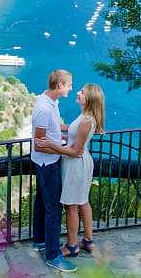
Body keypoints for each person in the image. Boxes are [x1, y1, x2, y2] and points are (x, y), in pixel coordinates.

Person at [37, 84, 105, 257]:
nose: (78, 93)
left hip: (76, 165)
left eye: (82, 92)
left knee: (71, 206)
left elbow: (75, 151)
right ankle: (88, 241)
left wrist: (52, 144)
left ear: (88, 99)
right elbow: (73, 136)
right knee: (83, 202)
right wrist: (56, 130)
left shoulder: (85, 121)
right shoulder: (86, 117)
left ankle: (72, 245)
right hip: (81, 163)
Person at [30, 69, 76, 272]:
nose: (71, 88)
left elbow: (54, 128)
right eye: (69, 84)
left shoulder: (50, 102)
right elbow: (39, 143)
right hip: (46, 163)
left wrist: (74, 129)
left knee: (42, 202)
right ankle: (53, 255)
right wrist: (64, 149)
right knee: (53, 209)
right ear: (59, 86)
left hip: (44, 161)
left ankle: (40, 241)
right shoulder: (44, 109)